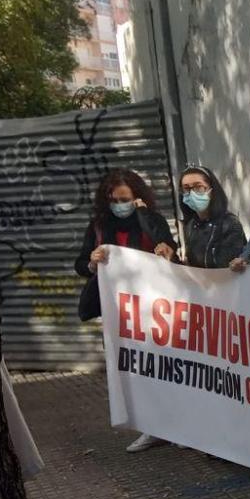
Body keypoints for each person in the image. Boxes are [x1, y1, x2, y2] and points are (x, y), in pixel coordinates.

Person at [75, 168, 177, 454]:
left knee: (166, 368)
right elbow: (81, 263)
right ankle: (151, 427)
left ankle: (177, 425)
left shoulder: (149, 221)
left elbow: (169, 249)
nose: (118, 205)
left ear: (138, 198)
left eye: (125, 199)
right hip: (119, 314)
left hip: (154, 309)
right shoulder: (98, 226)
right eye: (113, 199)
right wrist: (92, 263)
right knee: (134, 372)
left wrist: (144, 215)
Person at [178, 165, 247, 268]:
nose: (192, 194)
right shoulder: (190, 226)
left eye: (198, 187)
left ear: (212, 189)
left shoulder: (229, 223)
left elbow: (228, 266)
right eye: (186, 188)